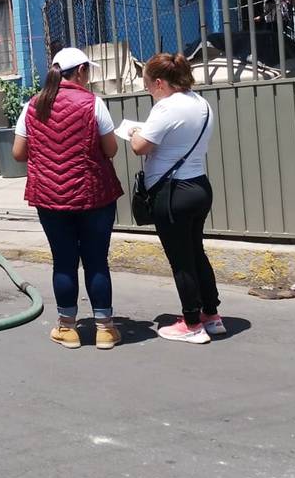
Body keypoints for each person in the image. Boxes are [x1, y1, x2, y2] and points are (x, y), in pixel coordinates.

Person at [12, 47, 124, 350]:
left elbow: (18, 153)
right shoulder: (93, 104)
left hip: (50, 198)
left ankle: (67, 328)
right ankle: (104, 329)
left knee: (63, 262)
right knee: (96, 261)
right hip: (94, 196)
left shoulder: (32, 106)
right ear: (82, 71)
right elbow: (111, 149)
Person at [129, 53, 222, 345]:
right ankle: (212, 315)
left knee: (181, 259)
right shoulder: (201, 103)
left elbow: (141, 147)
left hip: (172, 194)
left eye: (147, 85)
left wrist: (133, 132)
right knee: (196, 252)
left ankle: (191, 323)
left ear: (159, 82)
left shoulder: (166, 108)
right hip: (199, 187)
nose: (147, 90)